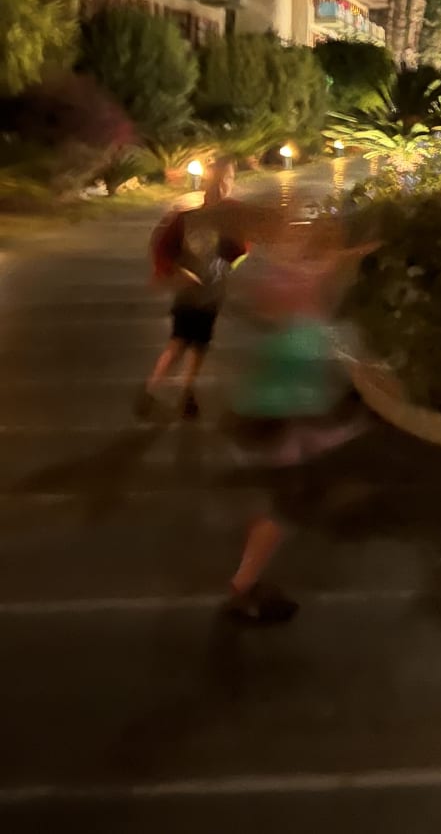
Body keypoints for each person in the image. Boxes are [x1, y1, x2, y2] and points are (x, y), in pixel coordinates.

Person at [222, 218, 375, 625]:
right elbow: (292, 387)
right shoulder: (299, 322)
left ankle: (247, 581)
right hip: (275, 420)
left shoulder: (303, 306)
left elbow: (334, 262)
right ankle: (243, 587)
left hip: (282, 420)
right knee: (284, 510)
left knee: (287, 505)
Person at [136, 157, 247, 421]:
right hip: (189, 290)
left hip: (213, 291)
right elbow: (163, 247)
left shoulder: (232, 215)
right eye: (219, 179)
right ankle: (151, 389)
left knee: (200, 343)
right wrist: (174, 270)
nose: (223, 185)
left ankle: (187, 392)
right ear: (209, 181)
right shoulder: (187, 215)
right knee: (179, 341)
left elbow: (239, 250)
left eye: (228, 179)